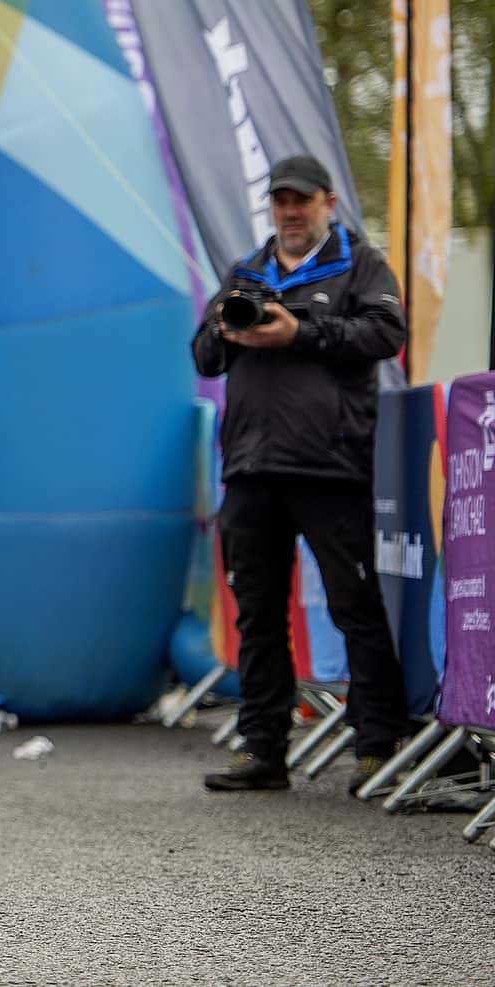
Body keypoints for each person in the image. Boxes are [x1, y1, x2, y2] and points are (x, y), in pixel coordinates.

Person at [193, 154, 412, 793]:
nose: (290, 212)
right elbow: (204, 356)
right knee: (257, 615)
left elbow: (385, 333)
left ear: (328, 202)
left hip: (329, 466)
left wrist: (299, 332)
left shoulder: (361, 264)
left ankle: (377, 747)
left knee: (354, 606)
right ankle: (261, 750)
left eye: (302, 201)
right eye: (281, 201)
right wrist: (226, 325)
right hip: (251, 468)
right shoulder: (248, 271)